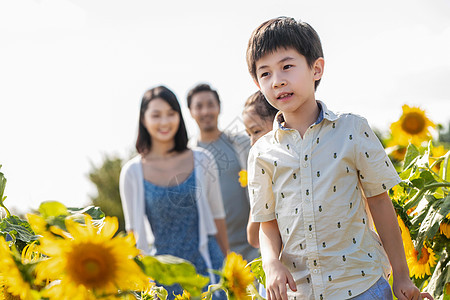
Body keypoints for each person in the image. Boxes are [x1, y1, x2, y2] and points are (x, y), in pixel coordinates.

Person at [245, 17, 433, 300]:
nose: (278, 80)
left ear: (316, 68)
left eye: (286, 66)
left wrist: (402, 276)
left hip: (363, 286)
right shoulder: (261, 152)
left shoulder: (353, 130)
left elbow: (380, 203)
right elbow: (267, 221)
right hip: (301, 292)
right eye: (265, 74)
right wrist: (271, 262)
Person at [119, 86, 228, 299]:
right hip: (162, 279)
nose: (165, 122)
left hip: (208, 271)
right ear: (143, 119)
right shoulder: (132, 172)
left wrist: (228, 270)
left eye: (171, 113)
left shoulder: (203, 159)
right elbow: (134, 237)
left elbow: (218, 218)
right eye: (156, 115)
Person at [187, 83, 259, 263]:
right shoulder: (186, 157)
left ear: (219, 107)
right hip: (214, 254)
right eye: (199, 106)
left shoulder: (242, 143)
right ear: (190, 111)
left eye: (210, 105)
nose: (206, 111)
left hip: (254, 248)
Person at [242, 90, 278, 248]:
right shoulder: (262, 172)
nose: (252, 142)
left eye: (256, 131)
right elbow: (254, 237)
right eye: (249, 134)